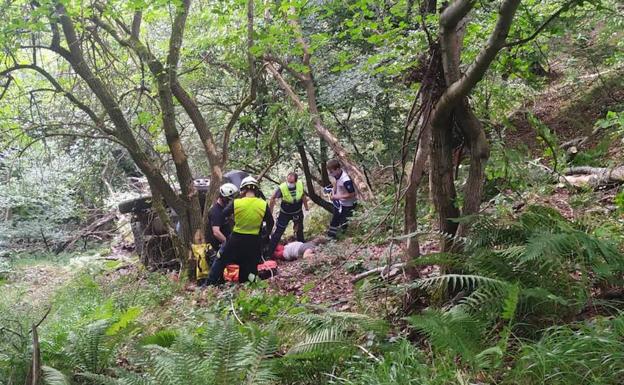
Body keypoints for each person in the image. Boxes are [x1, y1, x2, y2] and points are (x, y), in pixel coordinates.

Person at [206, 176, 274, 285]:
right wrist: (265, 236)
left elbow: (223, 214)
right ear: (256, 190)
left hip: (236, 238)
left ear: (243, 190)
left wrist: (236, 215)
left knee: (221, 258)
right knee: (250, 265)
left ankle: (209, 284)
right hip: (254, 240)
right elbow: (271, 223)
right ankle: (249, 285)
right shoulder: (263, 204)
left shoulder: (236, 203)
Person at [266, 172, 309, 258]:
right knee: (278, 232)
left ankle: (303, 249)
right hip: (285, 213)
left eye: (292, 181)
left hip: (297, 212)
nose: (290, 183)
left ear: (296, 181)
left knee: (299, 230)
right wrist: (270, 212)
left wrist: (306, 207)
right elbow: (273, 198)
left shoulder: (299, 185)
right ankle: (269, 254)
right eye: (288, 180)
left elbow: (303, 196)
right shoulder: (282, 187)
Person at [325, 159, 357, 238]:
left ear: (338, 169)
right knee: (334, 219)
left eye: (331, 171)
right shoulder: (337, 175)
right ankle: (330, 237)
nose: (330, 174)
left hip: (348, 204)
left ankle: (341, 237)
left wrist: (337, 197)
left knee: (344, 222)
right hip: (340, 203)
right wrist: (333, 192)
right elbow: (336, 183)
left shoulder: (346, 180)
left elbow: (352, 194)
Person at [207, 182, 238, 252]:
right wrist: (228, 243)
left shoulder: (224, 209)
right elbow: (216, 232)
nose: (230, 202)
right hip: (219, 248)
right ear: (224, 198)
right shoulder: (216, 211)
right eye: (229, 199)